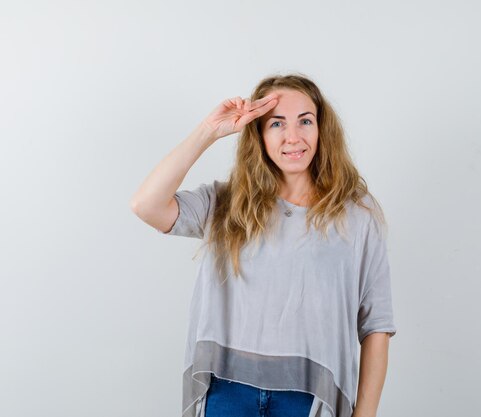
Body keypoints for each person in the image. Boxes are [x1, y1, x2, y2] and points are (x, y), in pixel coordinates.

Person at [130, 73, 397, 417]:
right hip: (227, 393)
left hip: (309, 398)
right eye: (276, 124)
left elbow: (376, 326)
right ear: (257, 134)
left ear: (321, 128)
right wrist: (209, 130)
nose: (293, 137)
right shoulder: (228, 203)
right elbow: (145, 205)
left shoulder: (357, 214)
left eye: (305, 121)